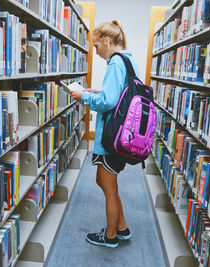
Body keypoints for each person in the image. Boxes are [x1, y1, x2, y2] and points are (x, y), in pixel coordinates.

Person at [71, 20, 141, 248]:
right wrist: (96, 91)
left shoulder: (115, 63)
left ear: (108, 41)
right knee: (104, 181)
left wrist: (85, 97)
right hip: (122, 134)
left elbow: (109, 101)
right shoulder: (128, 60)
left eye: (96, 45)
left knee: (108, 187)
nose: (96, 50)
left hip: (112, 136)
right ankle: (122, 228)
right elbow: (120, 94)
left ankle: (110, 236)